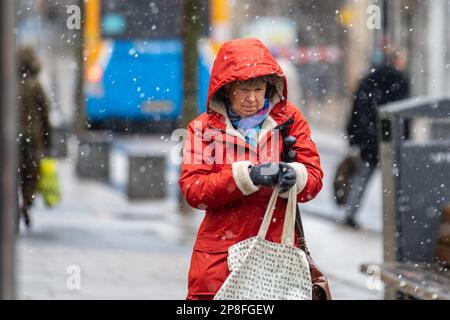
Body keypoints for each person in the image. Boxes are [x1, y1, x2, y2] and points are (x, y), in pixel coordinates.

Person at [179, 38, 324, 300]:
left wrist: (295, 177)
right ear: (225, 90)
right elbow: (193, 190)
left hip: (276, 254)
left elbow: (313, 178)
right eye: (242, 90)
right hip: (220, 259)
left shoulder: (290, 121)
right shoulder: (202, 129)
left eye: (258, 89)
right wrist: (245, 177)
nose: (252, 98)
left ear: (269, 88)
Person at [344, 45, 410, 228]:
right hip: (393, 138)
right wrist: (406, 139)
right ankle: (398, 221)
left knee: (361, 178)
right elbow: (405, 117)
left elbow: (356, 112)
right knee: (395, 182)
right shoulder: (400, 81)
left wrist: (354, 136)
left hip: (368, 139)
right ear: (396, 61)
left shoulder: (367, 81)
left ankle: (350, 213)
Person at [17, 46, 52, 229]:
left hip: (9, 137)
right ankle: (26, 203)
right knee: (30, 174)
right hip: (31, 138)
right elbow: (44, 114)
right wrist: (48, 142)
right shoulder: (35, 84)